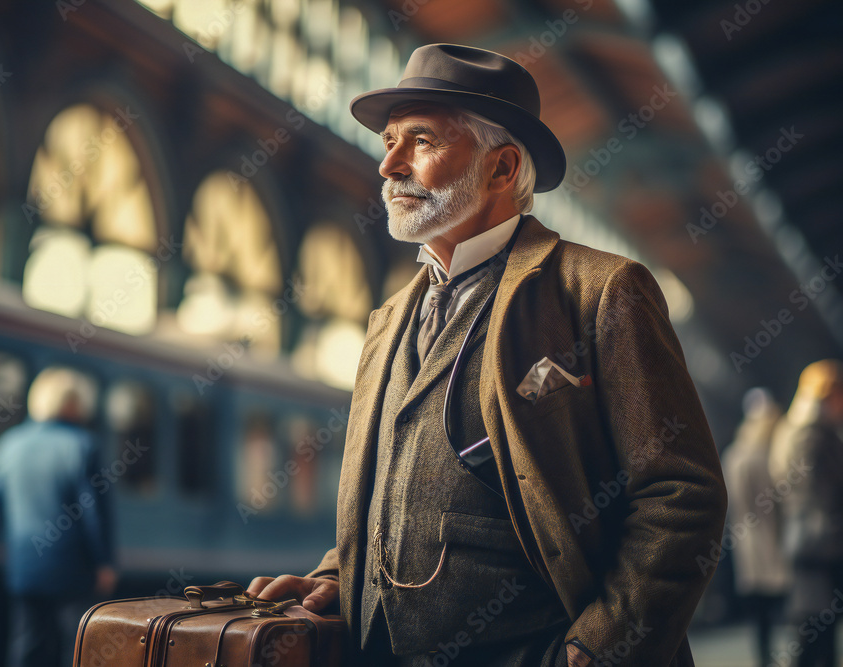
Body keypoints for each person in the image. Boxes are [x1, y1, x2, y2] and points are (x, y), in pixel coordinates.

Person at [248, 44, 727, 666]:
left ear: (502, 168)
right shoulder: (388, 319)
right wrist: (340, 577)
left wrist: (596, 648)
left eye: (421, 141)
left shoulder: (601, 291)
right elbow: (384, 489)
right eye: (389, 141)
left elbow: (681, 493)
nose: (389, 164)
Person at [0, 367, 116, 667]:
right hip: (74, 568)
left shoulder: (10, 443)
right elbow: (94, 513)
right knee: (78, 647)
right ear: (71, 404)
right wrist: (104, 562)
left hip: (25, 565)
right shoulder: (83, 445)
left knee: (27, 644)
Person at [769, 360, 843, 667]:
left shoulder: (797, 430)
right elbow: (819, 496)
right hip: (819, 544)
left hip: (810, 542)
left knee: (815, 629)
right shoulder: (812, 435)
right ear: (828, 395)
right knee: (814, 633)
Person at [721, 388, 788, 664]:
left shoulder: (733, 455)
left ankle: (764, 659)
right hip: (770, 538)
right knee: (777, 607)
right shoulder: (765, 456)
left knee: (759, 614)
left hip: (745, 541)